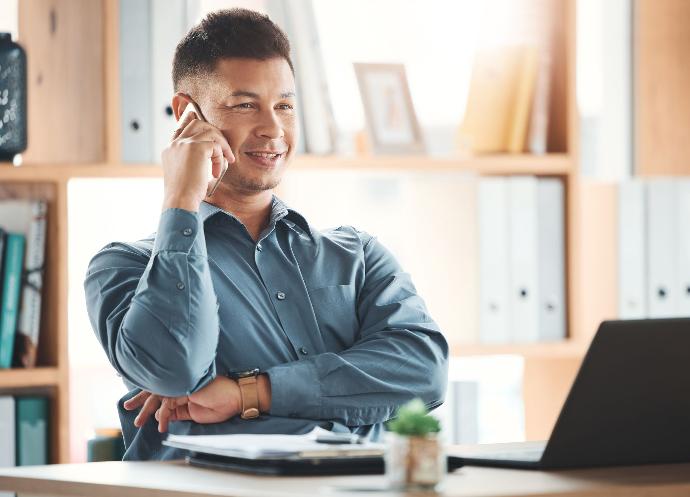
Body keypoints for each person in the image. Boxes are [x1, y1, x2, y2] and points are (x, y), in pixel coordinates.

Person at [84, 7, 448, 461]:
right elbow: (176, 373)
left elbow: (423, 372)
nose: (273, 129)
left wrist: (246, 393)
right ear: (186, 115)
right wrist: (180, 199)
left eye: (285, 106)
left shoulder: (357, 255)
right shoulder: (126, 267)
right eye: (245, 105)